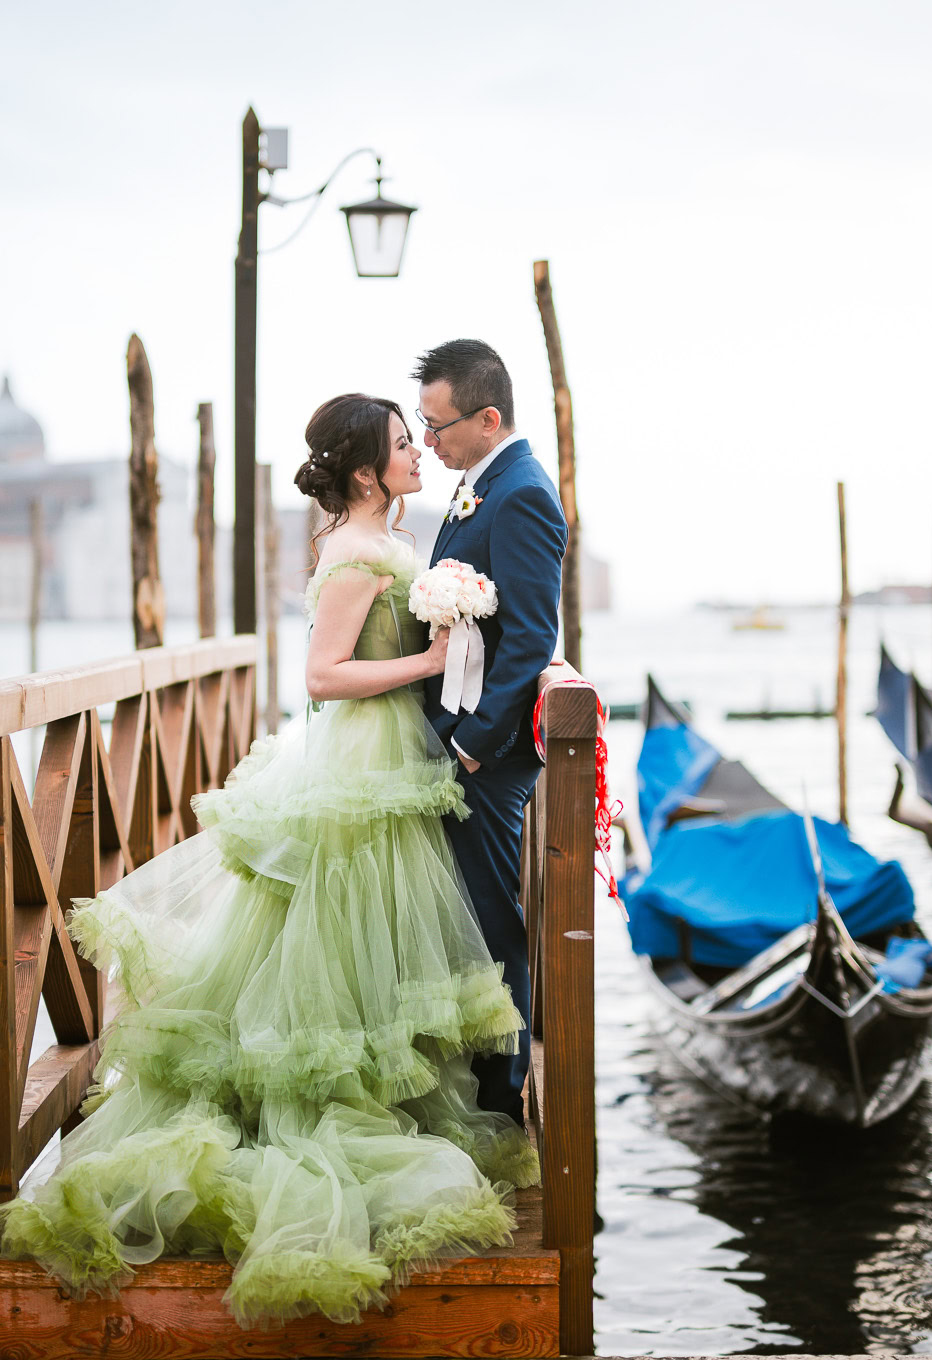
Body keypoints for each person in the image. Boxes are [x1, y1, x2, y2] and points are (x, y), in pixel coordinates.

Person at [0, 392, 539, 1329]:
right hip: (362, 763)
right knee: (335, 934)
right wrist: (427, 658)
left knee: (372, 943)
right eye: (404, 444)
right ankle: (313, 1107)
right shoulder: (357, 553)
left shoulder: (384, 542)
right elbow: (323, 677)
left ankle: (379, 1087)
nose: (418, 453)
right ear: (366, 471)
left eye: (420, 437)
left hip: (392, 758)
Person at [412, 340, 568, 1123]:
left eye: (436, 425)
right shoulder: (482, 485)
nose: (428, 438)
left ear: (488, 418)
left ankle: (503, 1098)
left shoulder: (522, 493)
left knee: (490, 920)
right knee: (465, 915)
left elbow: (533, 635)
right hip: (461, 737)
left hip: (490, 757)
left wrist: (473, 741)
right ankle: (476, 1076)